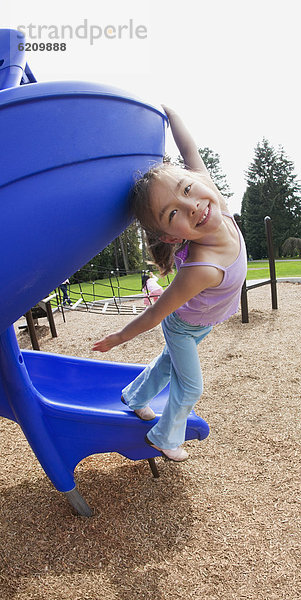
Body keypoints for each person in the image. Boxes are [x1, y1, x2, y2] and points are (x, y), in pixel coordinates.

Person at [92, 106, 247, 462]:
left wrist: (171, 113)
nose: (192, 205)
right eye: (173, 213)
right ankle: (164, 436)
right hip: (183, 327)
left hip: (202, 325)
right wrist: (118, 338)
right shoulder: (201, 268)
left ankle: (134, 397)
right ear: (170, 236)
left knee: (166, 365)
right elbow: (157, 314)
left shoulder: (215, 202)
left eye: (188, 189)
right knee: (190, 386)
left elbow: (190, 151)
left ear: (201, 181)